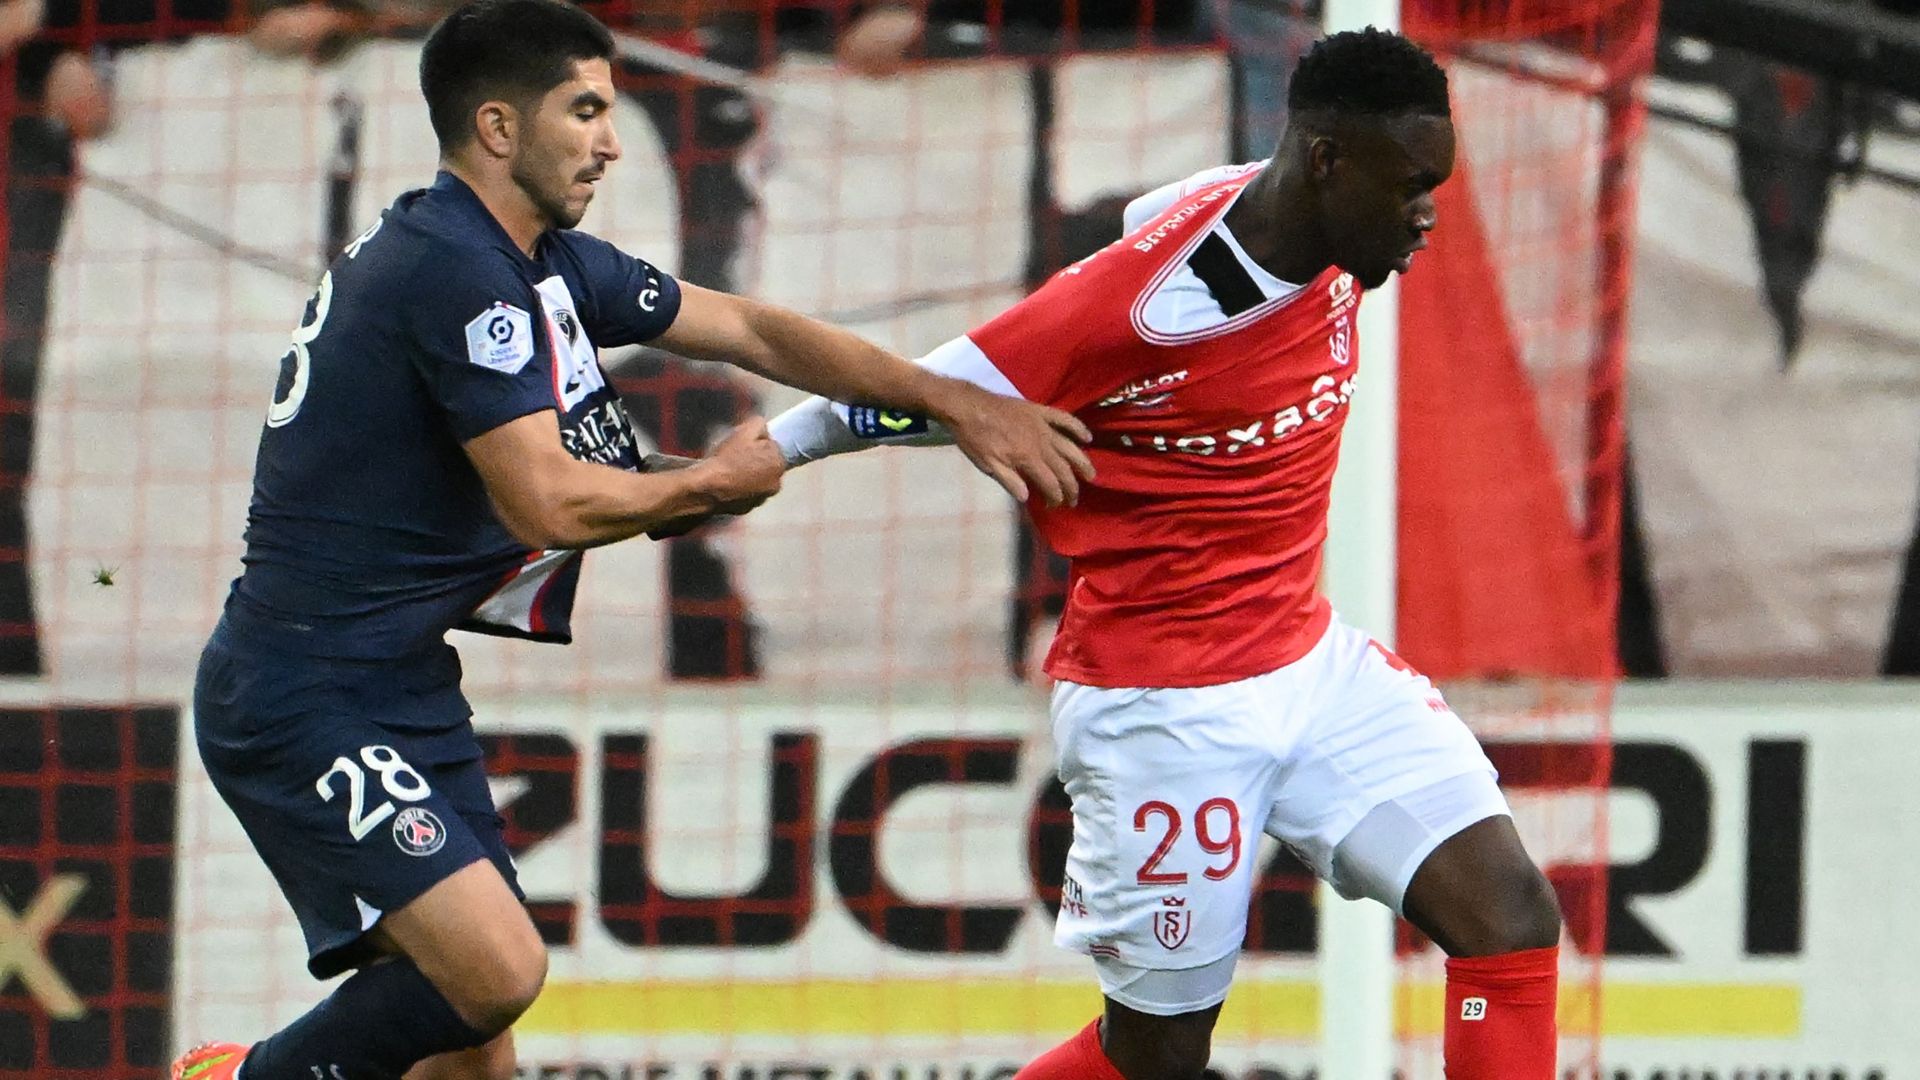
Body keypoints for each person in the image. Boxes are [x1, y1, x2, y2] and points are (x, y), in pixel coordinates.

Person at [168, 1, 1092, 1077]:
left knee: (473, 1050)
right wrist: (705, 482)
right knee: (498, 972)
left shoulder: (533, 260)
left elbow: (747, 327)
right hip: (300, 693)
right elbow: (548, 506)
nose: (611, 139)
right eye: (587, 109)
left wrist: (952, 397)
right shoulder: (456, 271)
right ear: (502, 128)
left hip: (394, 683)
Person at [767, 29, 1564, 1080]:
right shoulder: (1136, 306)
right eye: (1412, 185)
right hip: (1166, 708)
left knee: (1509, 914)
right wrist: (768, 450)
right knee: (1156, 1057)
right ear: (1327, 159)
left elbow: (1171, 206)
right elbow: (931, 392)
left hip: (1309, 666)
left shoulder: (1287, 213)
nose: (1427, 214)